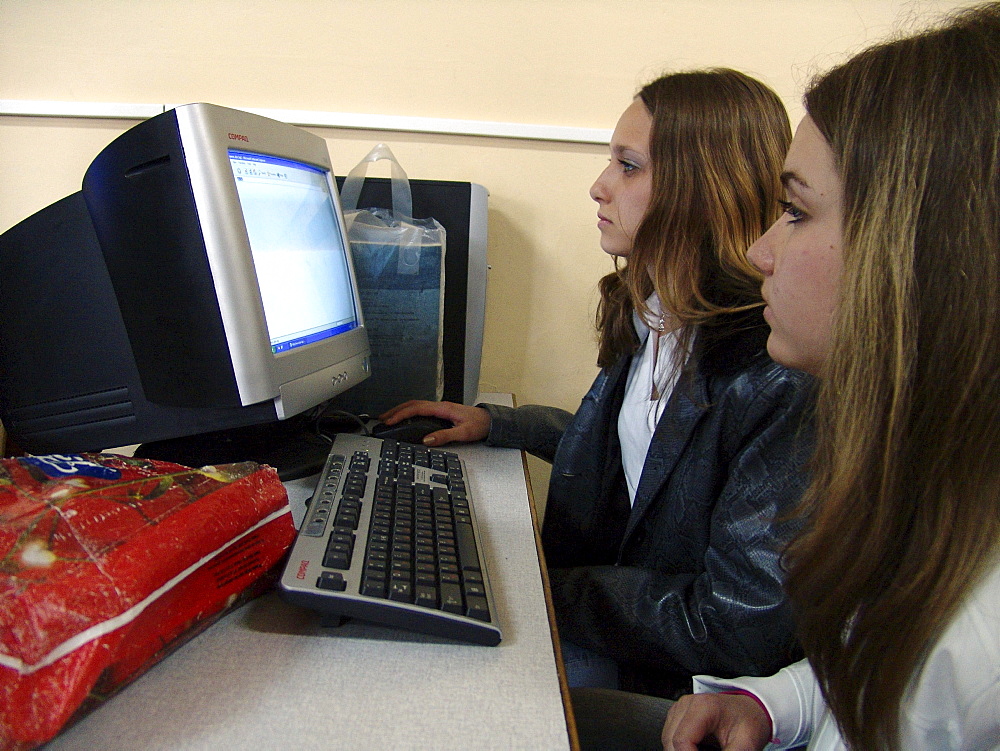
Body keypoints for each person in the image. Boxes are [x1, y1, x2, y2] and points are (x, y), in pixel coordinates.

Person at [382, 68, 815, 699]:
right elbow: (642, 455)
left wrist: (541, 588)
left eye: (629, 166)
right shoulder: (656, 310)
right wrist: (500, 424)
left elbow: (737, 625)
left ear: (699, 191)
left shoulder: (775, 373)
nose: (599, 186)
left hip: (669, 683)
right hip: (616, 630)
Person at [662, 4, 1000, 749]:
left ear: (920, 256)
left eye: (795, 211)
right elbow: (872, 667)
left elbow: (926, 689)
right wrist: (774, 705)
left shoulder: (980, 653)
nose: (759, 250)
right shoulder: (937, 483)